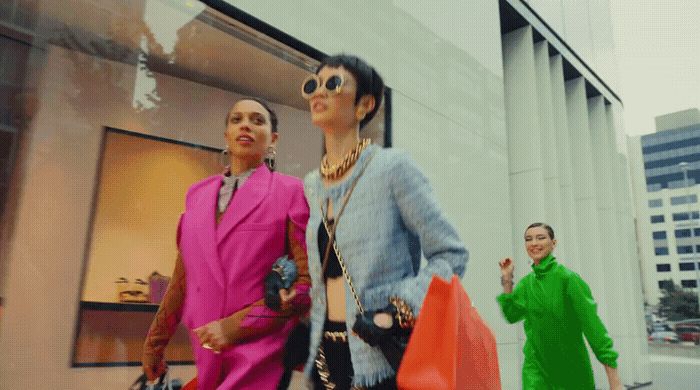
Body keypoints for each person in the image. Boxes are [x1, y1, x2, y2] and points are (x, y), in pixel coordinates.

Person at [301, 54, 468, 389]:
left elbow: (451, 255)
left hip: (379, 354)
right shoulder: (312, 185)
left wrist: (395, 311)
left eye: (333, 83)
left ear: (365, 105)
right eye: (313, 85)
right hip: (324, 355)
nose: (319, 92)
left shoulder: (392, 168)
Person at [141, 97, 311, 389]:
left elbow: (305, 284)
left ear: (273, 139)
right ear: (226, 136)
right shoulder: (197, 195)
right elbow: (182, 279)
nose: (246, 124)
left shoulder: (290, 191)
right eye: (237, 119)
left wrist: (232, 329)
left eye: (257, 120)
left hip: (262, 355)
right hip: (206, 353)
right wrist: (154, 343)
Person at [497, 223, 623, 390]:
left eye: (540, 237)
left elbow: (593, 328)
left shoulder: (568, 279)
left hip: (571, 371)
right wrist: (507, 279)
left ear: (553, 243)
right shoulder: (526, 285)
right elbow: (511, 315)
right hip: (536, 369)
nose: (534, 243)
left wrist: (615, 382)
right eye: (529, 239)